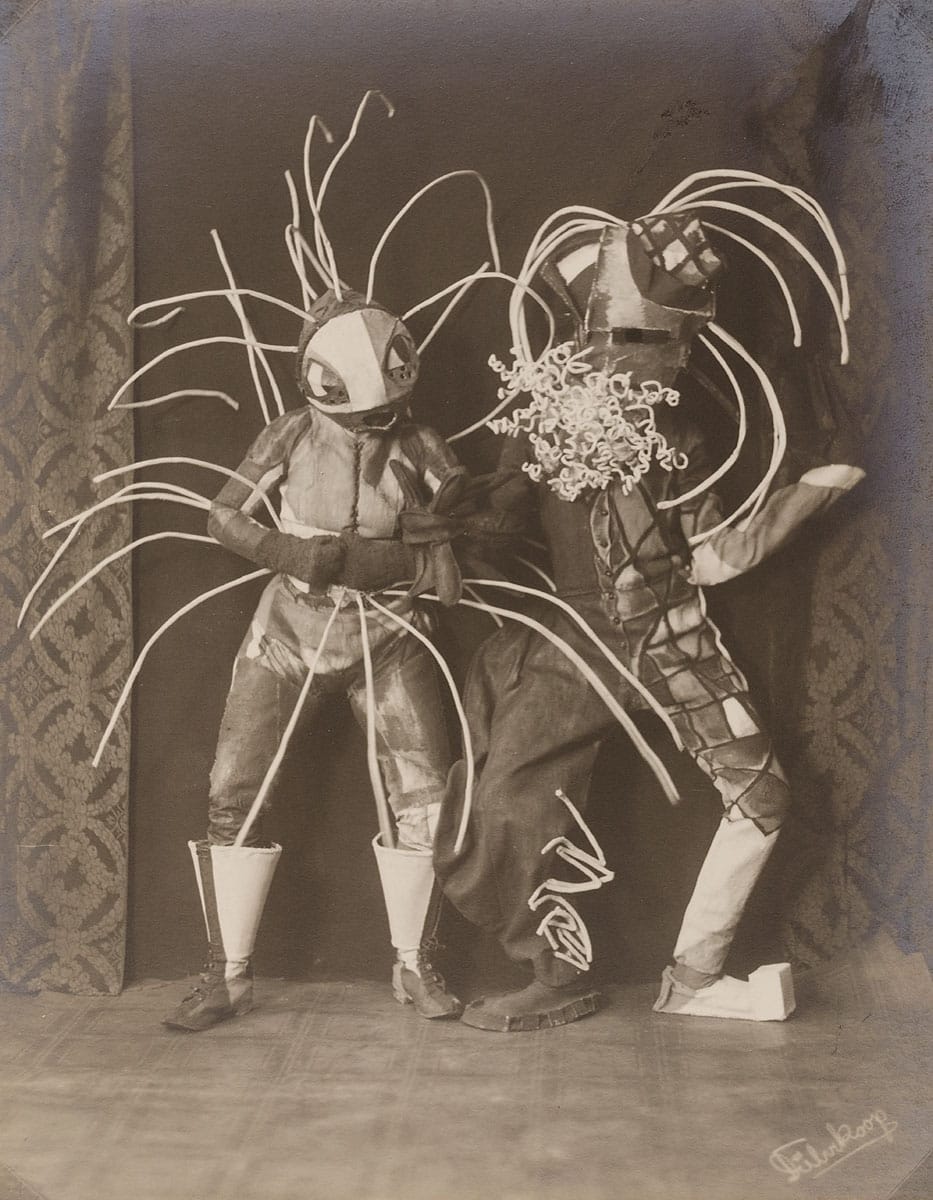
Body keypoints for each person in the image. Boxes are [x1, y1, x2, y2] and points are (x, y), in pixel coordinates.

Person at [434, 200, 864, 1031]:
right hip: (580, 643)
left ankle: (696, 976)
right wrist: (453, 529)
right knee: (502, 808)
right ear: (587, 331)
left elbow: (710, 555)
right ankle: (551, 971)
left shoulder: (683, 432)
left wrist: (813, 486)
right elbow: (500, 528)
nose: (655, 363)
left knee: (762, 797)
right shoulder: (541, 426)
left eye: (671, 344)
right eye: (633, 340)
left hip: (674, 634)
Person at [164, 287, 469, 1031]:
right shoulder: (289, 435)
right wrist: (290, 550)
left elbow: (464, 526)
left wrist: (403, 557)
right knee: (234, 783)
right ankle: (225, 973)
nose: (371, 423)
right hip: (288, 629)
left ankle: (413, 962)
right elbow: (222, 513)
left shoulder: (423, 444)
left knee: (423, 794)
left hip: (393, 631)